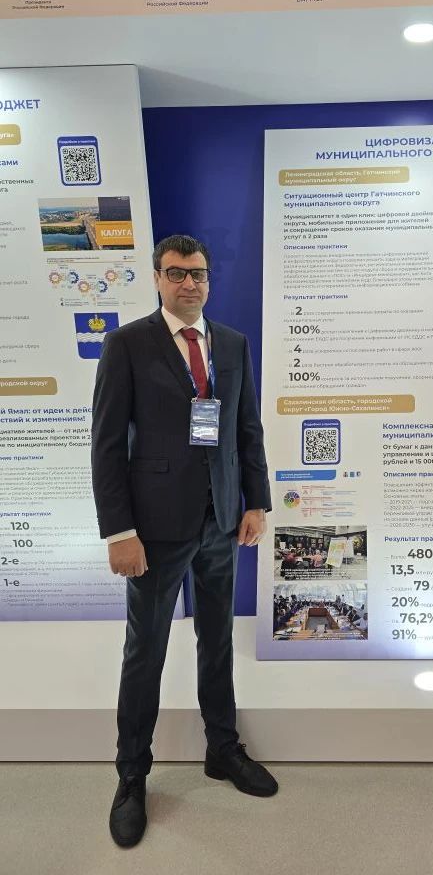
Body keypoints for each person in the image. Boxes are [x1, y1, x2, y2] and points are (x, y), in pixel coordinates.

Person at [91, 234, 277, 850]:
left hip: (220, 520)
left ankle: (222, 748)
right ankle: (131, 776)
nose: (188, 283)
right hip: (153, 530)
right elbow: (107, 446)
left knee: (217, 641)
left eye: (197, 274)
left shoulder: (231, 343)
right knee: (145, 651)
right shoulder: (127, 344)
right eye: (176, 274)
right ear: (157, 279)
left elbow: (246, 429)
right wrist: (120, 532)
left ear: (208, 280)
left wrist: (255, 501)